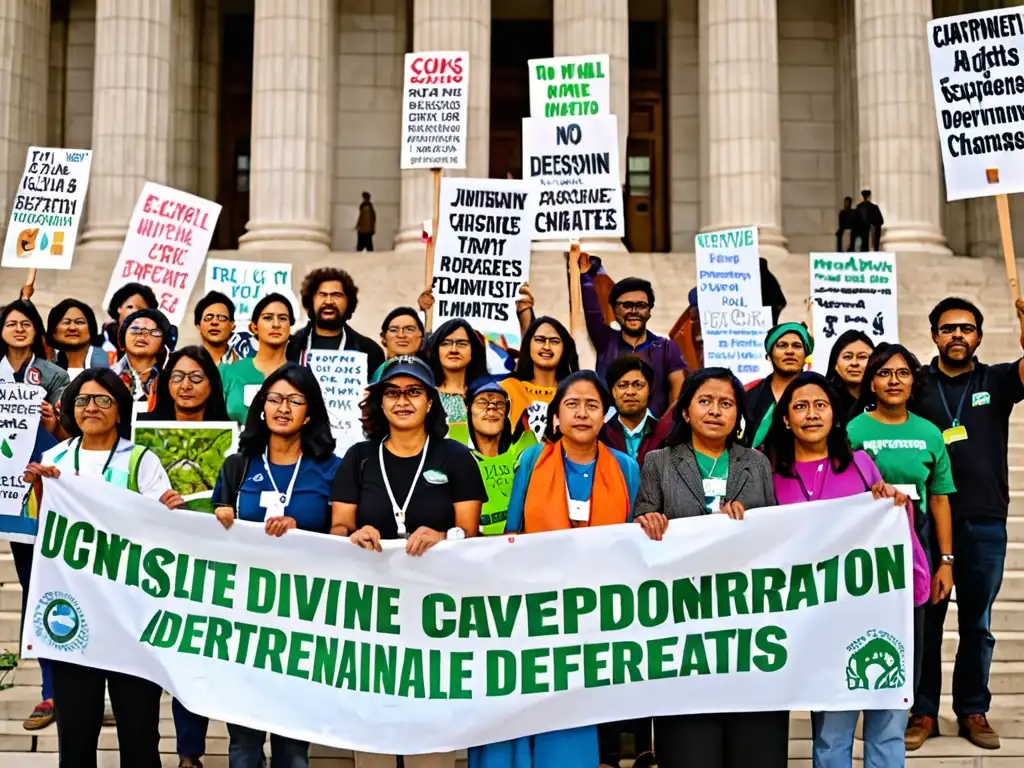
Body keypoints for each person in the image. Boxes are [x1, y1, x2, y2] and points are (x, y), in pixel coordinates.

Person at [471, 371, 639, 768]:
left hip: (594, 615)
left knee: (572, 720)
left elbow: (634, 539)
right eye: (572, 404)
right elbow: (513, 530)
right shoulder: (532, 458)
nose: (582, 413)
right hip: (535, 609)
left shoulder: (627, 467)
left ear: (605, 416)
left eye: (592, 405)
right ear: (557, 416)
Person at [763, 372, 926, 768]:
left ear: (835, 414)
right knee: (831, 731)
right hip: (814, 621)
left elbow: (886, 527)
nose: (811, 414)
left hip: (877, 614)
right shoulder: (768, 472)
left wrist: (889, 500)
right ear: (785, 419)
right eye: (800, 406)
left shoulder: (860, 465)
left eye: (820, 404)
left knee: (887, 723)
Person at [23, 369, 183, 767]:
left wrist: (170, 512)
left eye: (103, 400)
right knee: (75, 737)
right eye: (81, 400)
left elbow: (160, 529)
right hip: (72, 619)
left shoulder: (141, 459)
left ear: (120, 409)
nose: (91, 407)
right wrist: (41, 488)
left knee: (140, 735)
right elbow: (41, 532)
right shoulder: (54, 458)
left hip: (131, 619)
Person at [332, 357, 484, 768]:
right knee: (374, 750)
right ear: (379, 403)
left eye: (413, 392)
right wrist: (352, 535)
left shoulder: (455, 456)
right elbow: (338, 528)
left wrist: (443, 537)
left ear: (431, 402)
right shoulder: (358, 457)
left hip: (436, 626)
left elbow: (470, 535)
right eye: (392, 392)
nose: (403, 401)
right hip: (372, 626)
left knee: (430, 751)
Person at [628, 367, 781, 768]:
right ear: (685, 412)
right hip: (683, 625)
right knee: (691, 748)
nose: (715, 411)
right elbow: (642, 518)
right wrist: (648, 522)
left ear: (738, 415)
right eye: (705, 401)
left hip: (747, 623)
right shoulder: (659, 462)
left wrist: (752, 524)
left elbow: (779, 534)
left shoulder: (757, 463)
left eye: (726, 403)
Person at [907, 297, 1024, 751]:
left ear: (978, 336)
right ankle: (922, 711)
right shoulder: (916, 383)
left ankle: (973, 709)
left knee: (977, 623)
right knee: (927, 622)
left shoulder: (994, 379)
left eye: (967, 328)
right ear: (934, 334)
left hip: (985, 521)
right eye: (949, 328)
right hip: (924, 523)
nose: (958, 335)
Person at [210, 363, 338, 768]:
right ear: (261, 407)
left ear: (311, 412)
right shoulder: (237, 465)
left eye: (295, 400)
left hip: (304, 620)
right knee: (243, 746)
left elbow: (342, 538)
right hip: (245, 620)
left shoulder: (332, 469)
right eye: (275, 399)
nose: (283, 408)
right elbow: (209, 530)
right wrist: (220, 513)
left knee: (292, 749)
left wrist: (302, 531)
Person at [848, 344, 956, 695]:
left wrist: (946, 561)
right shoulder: (852, 431)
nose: (893, 381)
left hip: (917, 540)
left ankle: (909, 706)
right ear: (871, 384)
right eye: (883, 373)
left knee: (915, 625)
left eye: (902, 373)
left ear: (913, 382)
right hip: (866, 545)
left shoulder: (929, 433)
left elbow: (939, 498)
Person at [580, 254, 686, 417]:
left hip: (655, 438)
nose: (634, 311)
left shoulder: (666, 348)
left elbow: (677, 400)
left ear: (650, 311)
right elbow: (592, 313)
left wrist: (663, 436)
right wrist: (585, 277)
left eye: (641, 305)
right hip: (609, 437)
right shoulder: (606, 341)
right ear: (615, 310)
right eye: (626, 305)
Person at [466, 377, 537, 535]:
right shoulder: (458, 457)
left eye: (499, 404)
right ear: (468, 408)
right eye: (483, 402)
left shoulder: (525, 453)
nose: (491, 409)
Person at [286, 267, 384, 373]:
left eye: (336, 295)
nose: (328, 301)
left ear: (348, 302)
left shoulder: (369, 351)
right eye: (322, 295)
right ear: (311, 301)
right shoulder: (290, 347)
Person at [500, 316, 579, 440]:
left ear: (565, 348)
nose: (546, 347)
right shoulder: (507, 389)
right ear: (528, 345)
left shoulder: (576, 392)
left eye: (554, 341)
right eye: (540, 340)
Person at [220, 293, 293, 425]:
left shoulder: (301, 376)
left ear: (290, 328)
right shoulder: (228, 373)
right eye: (268, 318)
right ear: (254, 327)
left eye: (282, 318)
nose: (276, 324)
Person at [742, 322, 812, 450]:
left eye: (797, 346)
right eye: (782, 346)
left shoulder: (821, 394)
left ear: (805, 355)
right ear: (769, 356)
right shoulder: (749, 396)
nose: (789, 351)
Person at [599, 356, 672, 469]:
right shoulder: (601, 436)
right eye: (622, 385)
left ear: (649, 389)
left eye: (638, 385)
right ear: (613, 391)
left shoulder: (667, 434)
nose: (630, 392)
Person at [0, 300, 70, 417]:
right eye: (11, 324)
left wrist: (53, 415)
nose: (19, 329)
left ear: (35, 331)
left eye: (26, 324)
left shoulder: (56, 376)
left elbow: (65, 421)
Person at [426, 319, 489, 442]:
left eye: (462, 343)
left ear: (473, 350)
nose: (453, 350)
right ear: (436, 350)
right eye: (446, 343)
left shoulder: (490, 394)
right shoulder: (426, 394)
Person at [111, 308, 173, 415]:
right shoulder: (106, 376)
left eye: (153, 332)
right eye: (135, 329)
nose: (142, 335)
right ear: (122, 337)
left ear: (163, 344)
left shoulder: (172, 379)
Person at [101, 282, 159, 363]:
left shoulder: (153, 352)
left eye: (141, 310)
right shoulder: (97, 342)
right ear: (119, 308)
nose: (134, 313)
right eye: (130, 307)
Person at [45, 298, 109, 372]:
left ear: (91, 329)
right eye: (66, 322)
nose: (72, 328)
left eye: (79, 322)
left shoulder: (98, 356)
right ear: (54, 333)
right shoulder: (50, 361)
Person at [824, 329, 875, 419]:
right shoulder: (824, 400)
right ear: (835, 364)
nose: (854, 363)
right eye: (847, 357)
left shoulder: (883, 400)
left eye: (862, 357)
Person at [194, 290, 241, 365]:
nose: (214, 322)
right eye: (208, 318)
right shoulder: (185, 363)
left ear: (232, 325)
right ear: (198, 325)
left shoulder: (246, 364)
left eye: (222, 318)